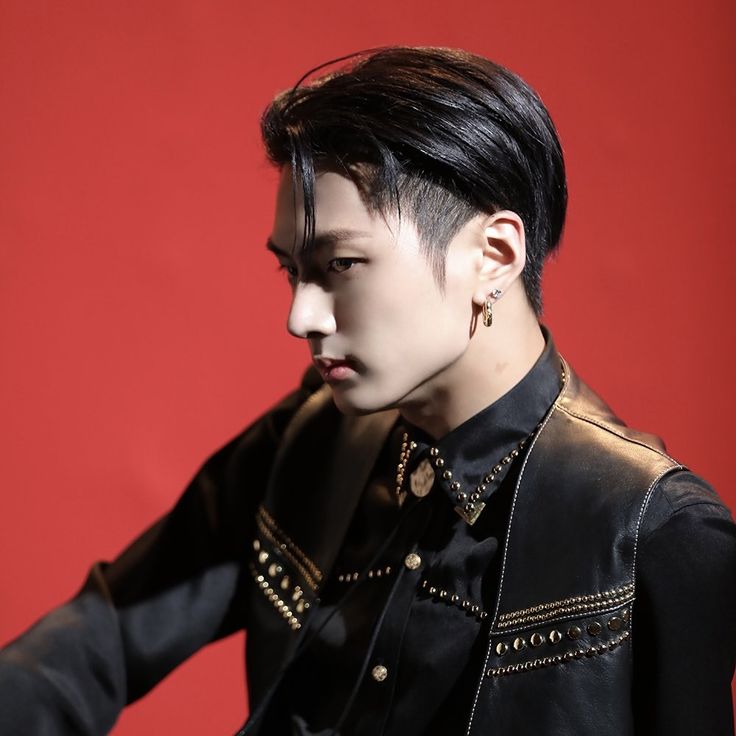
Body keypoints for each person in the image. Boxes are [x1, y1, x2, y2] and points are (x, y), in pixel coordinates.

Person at [1, 46, 734, 736]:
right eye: (292, 271)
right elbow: (104, 633)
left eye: (341, 264)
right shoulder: (308, 442)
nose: (300, 317)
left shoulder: (652, 533)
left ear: (494, 255)